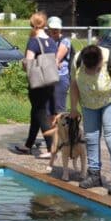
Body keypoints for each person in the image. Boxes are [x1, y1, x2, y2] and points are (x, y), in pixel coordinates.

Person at [69, 44, 111, 195]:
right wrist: (73, 108)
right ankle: (94, 175)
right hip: (88, 103)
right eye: (88, 71)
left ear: (100, 63)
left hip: (110, 101)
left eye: (96, 70)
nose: (92, 74)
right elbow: (74, 85)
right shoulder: (77, 61)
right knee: (90, 137)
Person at [17, 11, 57, 159]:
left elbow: (29, 62)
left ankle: (51, 147)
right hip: (50, 81)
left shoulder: (34, 41)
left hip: (37, 82)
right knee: (36, 112)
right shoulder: (51, 41)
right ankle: (28, 145)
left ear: (32, 24)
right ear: (44, 24)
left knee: (40, 113)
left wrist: (23, 63)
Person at [47, 16, 72, 116]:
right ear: (48, 28)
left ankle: (61, 131)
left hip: (60, 77)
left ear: (60, 28)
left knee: (59, 109)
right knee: (48, 109)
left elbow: (56, 60)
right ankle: (52, 131)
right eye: (52, 28)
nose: (54, 30)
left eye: (56, 28)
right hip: (47, 77)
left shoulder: (65, 41)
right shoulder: (46, 40)